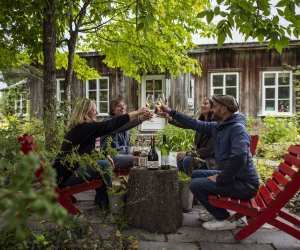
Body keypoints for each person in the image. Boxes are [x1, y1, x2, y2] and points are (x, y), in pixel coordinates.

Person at [156, 95, 259, 230]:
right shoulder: (220, 126)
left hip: (245, 184)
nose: (212, 110)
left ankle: (225, 219)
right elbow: (194, 124)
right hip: (234, 177)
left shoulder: (237, 129)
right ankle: (215, 211)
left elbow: (239, 157)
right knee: (196, 175)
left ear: (223, 109)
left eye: (215, 107)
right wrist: (171, 111)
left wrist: (221, 178)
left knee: (196, 185)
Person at [53, 98, 151, 210]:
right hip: (66, 176)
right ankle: (112, 201)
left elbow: (85, 151)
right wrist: (137, 112)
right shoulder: (85, 128)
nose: (97, 113)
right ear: (86, 112)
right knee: (104, 165)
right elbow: (110, 125)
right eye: (94, 110)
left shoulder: (82, 128)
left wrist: (103, 155)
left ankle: (104, 200)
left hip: (66, 173)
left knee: (103, 163)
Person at [101, 97, 147, 170]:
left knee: (148, 154)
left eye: (124, 105)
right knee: (140, 159)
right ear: (113, 109)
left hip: (124, 154)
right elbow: (121, 127)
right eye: (119, 106)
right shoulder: (108, 122)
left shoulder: (125, 123)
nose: (122, 107)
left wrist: (138, 150)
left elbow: (127, 146)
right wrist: (140, 118)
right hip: (110, 157)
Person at [173, 97, 215, 175]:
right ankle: (188, 180)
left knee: (187, 160)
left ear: (212, 108)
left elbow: (209, 151)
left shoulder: (214, 125)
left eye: (205, 104)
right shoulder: (201, 122)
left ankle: (195, 180)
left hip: (210, 161)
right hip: (200, 156)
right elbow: (185, 124)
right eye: (202, 103)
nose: (202, 106)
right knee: (180, 157)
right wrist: (169, 118)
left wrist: (187, 153)